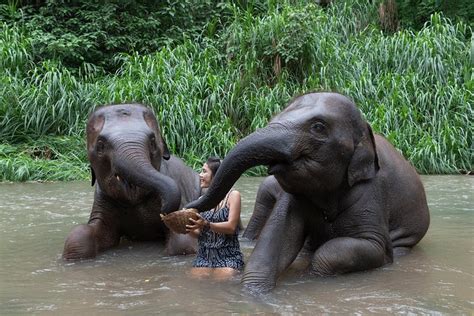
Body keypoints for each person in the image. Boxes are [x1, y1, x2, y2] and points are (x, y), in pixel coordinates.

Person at [186, 157, 244, 280]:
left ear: (217, 176)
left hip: (228, 256)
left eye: (204, 171)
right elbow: (199, 234)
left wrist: (207, 224)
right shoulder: (201, 201)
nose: (200, 175)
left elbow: (231, 227)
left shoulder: (233, 196)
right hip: (204, 256)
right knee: (195, 281)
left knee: (221, 281)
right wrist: (187, 228)